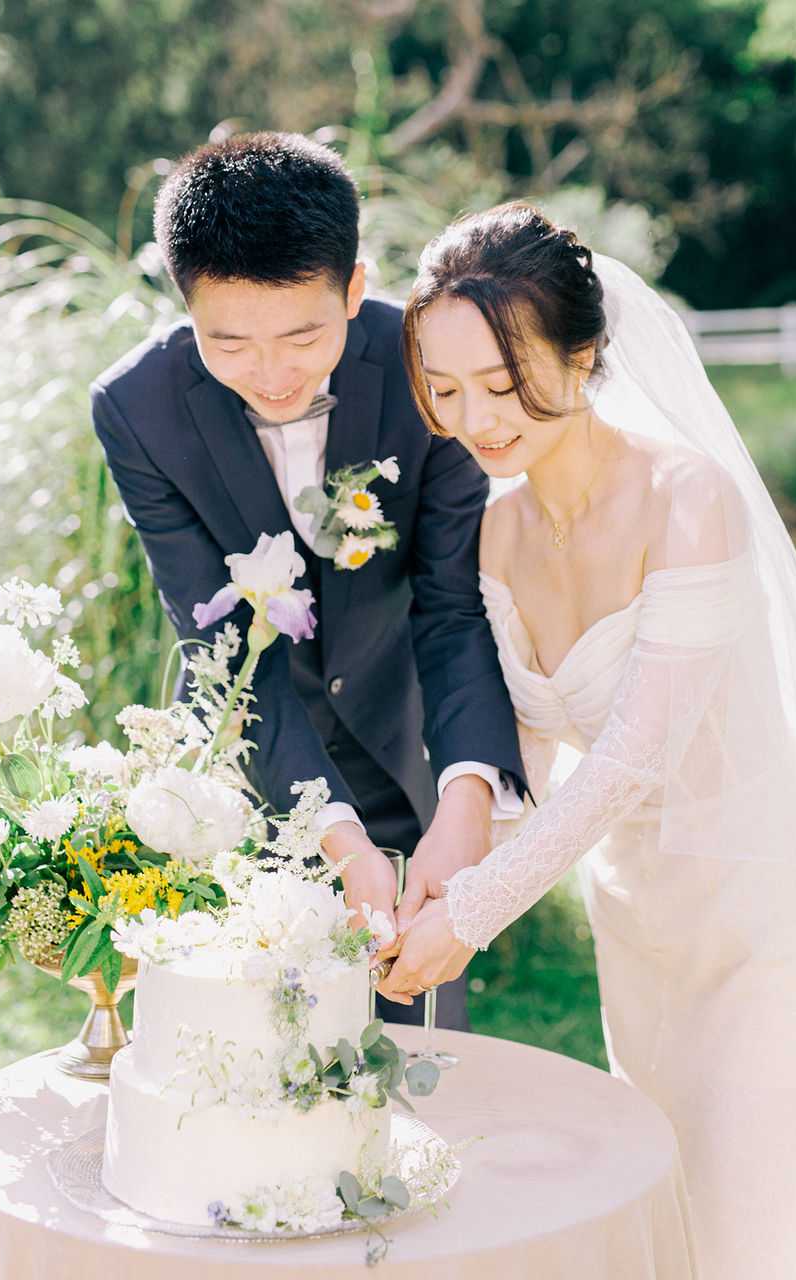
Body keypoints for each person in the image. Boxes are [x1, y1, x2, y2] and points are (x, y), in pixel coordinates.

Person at [378, 203, 796, 1276]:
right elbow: (537, 751)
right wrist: (446, 858)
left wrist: (471, 914)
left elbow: (630, 757)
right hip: (642, 928)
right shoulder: (498, 526)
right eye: (447, 385)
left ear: (584, 351)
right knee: (677, 1226)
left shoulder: (685, 498)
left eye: (504, 380)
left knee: (766, 1230)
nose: (478, 416)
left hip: (761, 922)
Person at [90, 132, 526, 1029]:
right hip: (244, 774)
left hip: (407, 764)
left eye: (302, 335)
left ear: (355, 288)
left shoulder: (425, 374)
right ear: (184, 306)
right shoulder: (135, 408)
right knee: (239, 1073)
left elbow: (452, 607)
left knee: (412, 1074)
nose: (273, 374)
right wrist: (335, 839)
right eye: (230, 344)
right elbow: (214, 644)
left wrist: (469, 792)